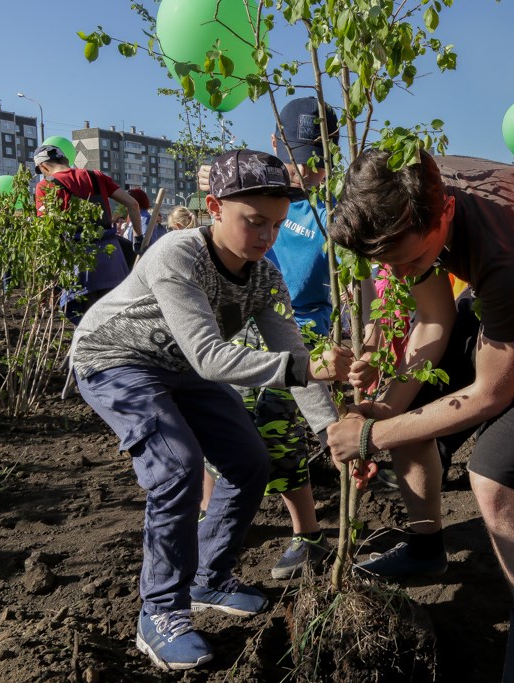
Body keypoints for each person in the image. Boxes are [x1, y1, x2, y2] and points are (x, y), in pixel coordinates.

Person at [69, 150, 351, 671]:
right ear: (214, 207)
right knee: (176, 466)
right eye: (255, 222)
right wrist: (305, 369)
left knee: (249, 461)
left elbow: (295, 356)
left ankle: (208, 577)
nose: (267, 236)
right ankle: (160, 612)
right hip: (115, 359)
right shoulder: (178, 254)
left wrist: (335, 434)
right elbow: (210, 355)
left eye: (277, 224)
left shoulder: (264, 275)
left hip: (181, 369)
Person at [326, 150, 514, 620]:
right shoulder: (405, 198)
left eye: (412, 260)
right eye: (388, 265)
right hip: (494, 310)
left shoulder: (508, 244)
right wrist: (384, 412)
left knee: (494, 481)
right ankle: (424, 547)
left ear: (449, 214)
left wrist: (368, 438)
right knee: (405, 411)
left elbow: (490, 393)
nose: (400, 276)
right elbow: (435, 319)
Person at [197, 97, 343, 580]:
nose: (307, 167)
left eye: (318, 156)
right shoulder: (253, 188)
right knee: (212, 419)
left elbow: (358, 288)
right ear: (278, 142)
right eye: (300, 153)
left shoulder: (335, 210)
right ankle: (208, 515)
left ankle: (308, 535)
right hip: (238, 329)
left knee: (272, 432)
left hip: (300, 332)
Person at [34, 144, 141, 323]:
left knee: (86, 322)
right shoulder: (95, 176)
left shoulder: (45, 186)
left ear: (43, 167)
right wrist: (138, 237)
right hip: (112, 257)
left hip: (78, 261)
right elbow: (133, 204)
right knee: (118, 319)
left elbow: (48, 231)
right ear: (66, 160)